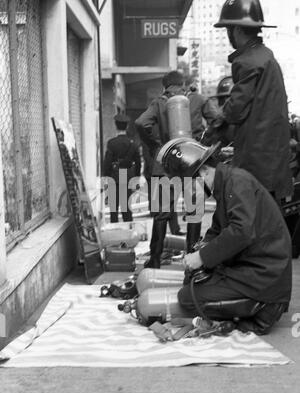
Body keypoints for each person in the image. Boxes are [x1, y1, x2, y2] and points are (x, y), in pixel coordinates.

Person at [158, 138, 292, 335]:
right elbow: (218, 230)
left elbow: (241, 231)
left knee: (187, 297)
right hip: (255, 269)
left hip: (264, 278)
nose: (190, 191)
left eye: (189, 184)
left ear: (202, 173)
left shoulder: (238, 182)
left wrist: (202, 257)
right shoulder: (228, 183)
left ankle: (260, 310)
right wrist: (201, 249)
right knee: (194, 280)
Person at [213, 0, 293, 201]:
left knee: (251, 222)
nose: (228, 35)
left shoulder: (246, 61)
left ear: (237, 30)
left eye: (228, 30)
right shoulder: (265, 56)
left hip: (256, 161)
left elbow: (235, 110)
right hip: (273, 159)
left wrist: (218, 116)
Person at [136, 71, 199, 268]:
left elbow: (140, 122)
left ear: (165, 86)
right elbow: (214, 119)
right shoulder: (192, 100)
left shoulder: (160, 102)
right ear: (182, 84)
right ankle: (192, 259)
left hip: (165, 164)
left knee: (162, 214)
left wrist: (154, 145)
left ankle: (155, 259)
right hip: (188, 162)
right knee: (194, 211)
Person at [103, 114, 141, 223]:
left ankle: (115, 231)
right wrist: (136, 178)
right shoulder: (133, 144)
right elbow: (138, 163)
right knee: (126, 208)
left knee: (113, 209)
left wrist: (106, 177)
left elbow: (107, 162)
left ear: (116, 126)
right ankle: (129, 230)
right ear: (127, 126)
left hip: (114, 176)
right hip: (128, 176)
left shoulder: (111, 143)